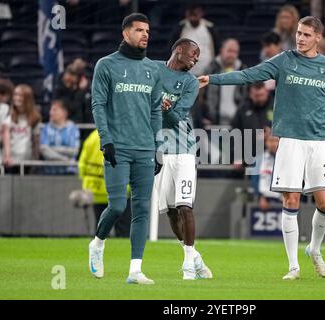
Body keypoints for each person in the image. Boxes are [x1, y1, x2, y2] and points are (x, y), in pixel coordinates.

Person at [199, 16, 325, 280]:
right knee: (291, 199)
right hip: (290, 140)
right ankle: (293, 265)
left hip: (319, 142)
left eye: (306, 35)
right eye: (298, 33)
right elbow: (249, 75)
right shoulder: (284, 60)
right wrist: (212, 79)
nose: (300, 38)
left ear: (318, 38)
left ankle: (314, 249)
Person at [89, 13, 162, 285]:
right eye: (139, 30)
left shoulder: (153, 69)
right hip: (117, 146)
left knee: (142, 208)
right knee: (118, 205)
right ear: (125, 33)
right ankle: (97, 243)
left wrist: (157, 146)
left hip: (144, 148)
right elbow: (97, 104)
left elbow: (156, 110)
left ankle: (135, 270)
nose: (145, 34)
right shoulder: (106, 65)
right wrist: (105, 139)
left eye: (147, 31)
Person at [154, 38, 212, 280]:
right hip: (160, 151)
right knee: (169, 211)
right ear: (179, 49)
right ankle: (195, 257)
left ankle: (188, 264)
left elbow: (178, 116)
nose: (196, 58)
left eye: (198, 55)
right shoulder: (154, 70)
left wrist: (164, 107)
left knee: (185, 206)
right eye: (194, 53)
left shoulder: (189, 82)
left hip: (184, 149)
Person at [78, 129, 131, 237]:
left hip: (95, 190)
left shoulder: (92, 137)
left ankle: (98, 249)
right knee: (123, 227)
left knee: (100, 225)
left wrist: (86, 182)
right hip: (118, 190)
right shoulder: (122, 135)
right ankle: (122, 251)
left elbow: (82, 164)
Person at [201, 38, 247, 126]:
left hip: (237, 123)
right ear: (222, 50)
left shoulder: (243, 71)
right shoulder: (211, 69)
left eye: (235, 52)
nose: (232, 55)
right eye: (229, 51)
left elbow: (245, 97)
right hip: (213, 122)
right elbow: (202, 95)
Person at [169, 4, 219, 76]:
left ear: (202, 13)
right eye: (190, 12)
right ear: (186, 13)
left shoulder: (210, 27)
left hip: (208, 73)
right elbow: (172, 49)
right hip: (184, 73)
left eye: (196, 12)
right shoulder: (180, 28)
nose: (193, 15)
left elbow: (217, 48)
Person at [4, 84, 42, 174]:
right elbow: (6, 137)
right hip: (11, 160)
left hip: (26, 160)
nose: (16, 98)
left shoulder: (35, 117)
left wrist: (35, 160)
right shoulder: (8, 114)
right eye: (15, 95)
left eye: (20, 95)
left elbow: (36, 140)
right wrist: (7, 156)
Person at [40, 100, 80, 175]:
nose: (51, 113)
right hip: (49, 172)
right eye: (50, 110)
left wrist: (52, 149)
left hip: (68, 172)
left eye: (54, 110)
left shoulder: (72, 128)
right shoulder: (46, 128)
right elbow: (44, 150)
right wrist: (65, 160)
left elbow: (74, 151)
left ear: (64, 113)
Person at [258, 135, 281, 211]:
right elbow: (255, 181)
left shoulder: (288, 159)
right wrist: (261, 197)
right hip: (266, 199)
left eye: (275, 141)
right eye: (270, 141)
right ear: (266, 142)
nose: (273, 144)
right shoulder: (259, 159)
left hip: (285, 198)